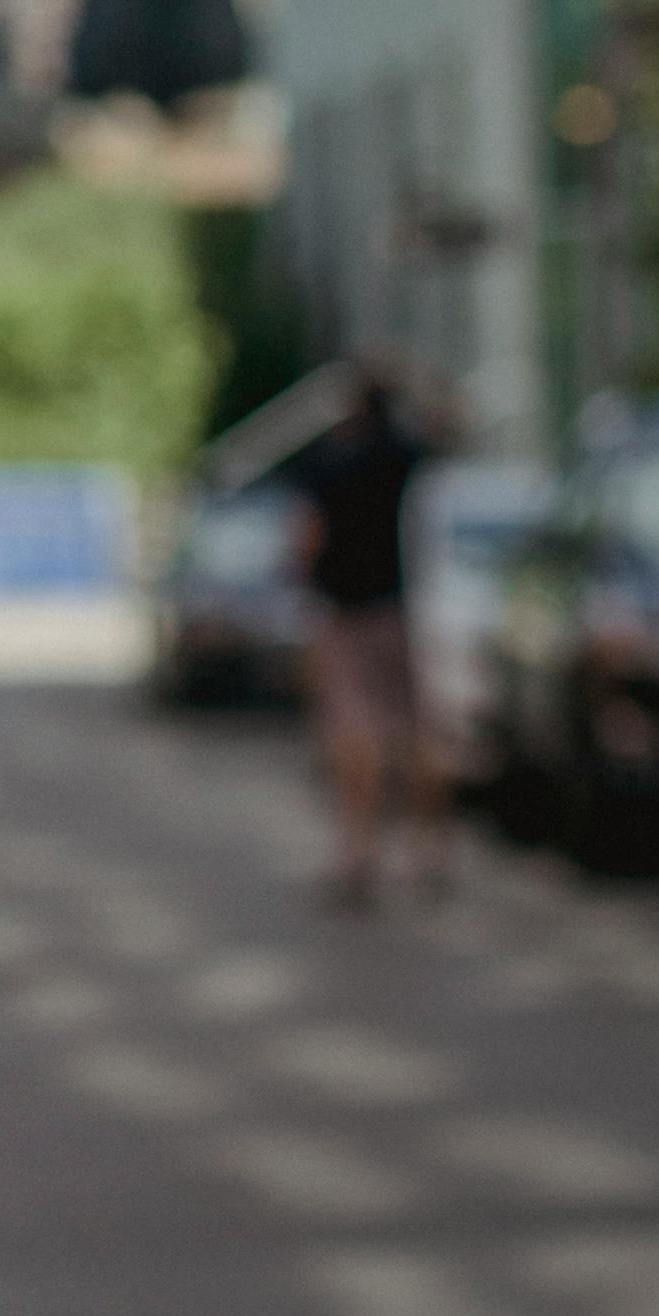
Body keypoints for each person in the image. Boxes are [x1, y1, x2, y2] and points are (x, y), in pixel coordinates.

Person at [289, 352, 448, 904]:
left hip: (346, 617)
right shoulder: (398, 456)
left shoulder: (326, 463)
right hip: (393, 611)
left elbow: (305, 540)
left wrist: (304, 584)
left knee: (352, 738)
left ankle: (359, 856)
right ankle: (428, 851)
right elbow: (452, 422)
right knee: (411, 732)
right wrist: (414, 378)